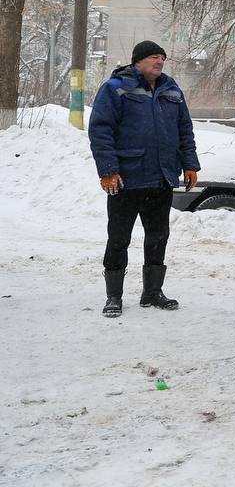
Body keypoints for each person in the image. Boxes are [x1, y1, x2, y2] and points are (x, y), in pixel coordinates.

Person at [88, 41, 200, 318]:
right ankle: (114, 296)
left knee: (158, 237)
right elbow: (101, 131)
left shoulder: (172, 90)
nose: (160, 61)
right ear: (137, 60)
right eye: (153, 57)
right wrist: (107, 170)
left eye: (162, 57)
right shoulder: (115, 88)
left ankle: (152, 292)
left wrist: (190, 165)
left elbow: (185, 130)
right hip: (125, 179)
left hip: (161, 178)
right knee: (118, 239)